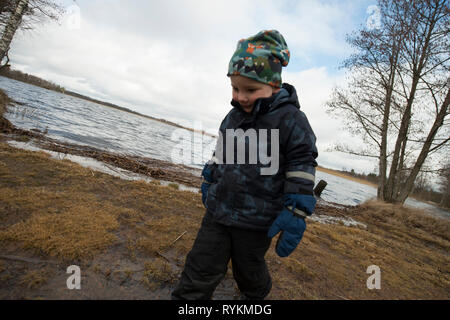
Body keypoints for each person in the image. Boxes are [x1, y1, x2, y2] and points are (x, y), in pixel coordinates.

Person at [171, 30, 318, 300]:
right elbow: (220, 152)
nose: (240, 96)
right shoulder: (233, 117)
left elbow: (302, 162)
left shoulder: (291, 120)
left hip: (257, 220)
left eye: (250, 90)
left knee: (247, 270)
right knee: (199, 268)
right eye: (235, 88)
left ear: (274, 85)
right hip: (218, 210)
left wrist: (296, 208)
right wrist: (209, 177)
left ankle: (256, 293)